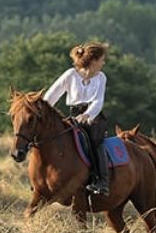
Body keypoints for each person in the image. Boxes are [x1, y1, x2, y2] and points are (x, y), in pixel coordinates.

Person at [43, 42, 110, 195]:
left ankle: (102, 182)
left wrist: (88, 114)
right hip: (74, 116)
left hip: (94, 117)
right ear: (93, 61)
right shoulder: (70, 75)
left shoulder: (101, 77)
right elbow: (51, 96)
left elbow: (98, 101)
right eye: (102, 60)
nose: (103, 63)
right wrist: (44, 112)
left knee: (95, 140)